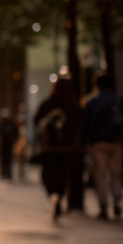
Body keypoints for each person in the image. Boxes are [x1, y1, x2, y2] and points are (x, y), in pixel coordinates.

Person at [34, 78, 82, 220]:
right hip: (67, 148)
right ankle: (59, 197)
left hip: (49, 148)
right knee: (63, 175)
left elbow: (37, 121)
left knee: (47, 174)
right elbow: (81, 123)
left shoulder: (48, 103)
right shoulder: (72, 104)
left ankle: (53, 195)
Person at [81, 74, 123, 219]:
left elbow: (87, 125)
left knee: (100, 174)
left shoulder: (92, 102)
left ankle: (104, 205)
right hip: (117, 142)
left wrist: (87, 142)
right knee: (115, 173)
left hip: (98, 143)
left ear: (97, 86)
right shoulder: (118, 101)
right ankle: (117, 201)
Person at [0, 108, 19, 180]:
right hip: (3, 143)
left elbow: (16, 132)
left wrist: (14, 140)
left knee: (8, 159)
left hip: (9, 143)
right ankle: (3, 173)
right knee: (3, 159)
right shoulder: (1, 124)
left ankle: (8, 173)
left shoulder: (12, 124)